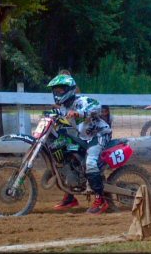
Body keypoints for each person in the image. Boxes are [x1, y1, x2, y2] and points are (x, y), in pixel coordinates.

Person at [47, 74, 112, 215]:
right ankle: (70, 196)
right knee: (65, 156)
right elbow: (59, 114)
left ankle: (101, 200)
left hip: (99, 135)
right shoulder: (64, 107)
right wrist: (49, 115)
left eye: (60, 91)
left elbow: (97, 106)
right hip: (83, 137)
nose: (57, 94)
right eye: (55, 91)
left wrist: (79, 113)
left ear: (69, 90)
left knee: (90, 163)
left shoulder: (82, 101)